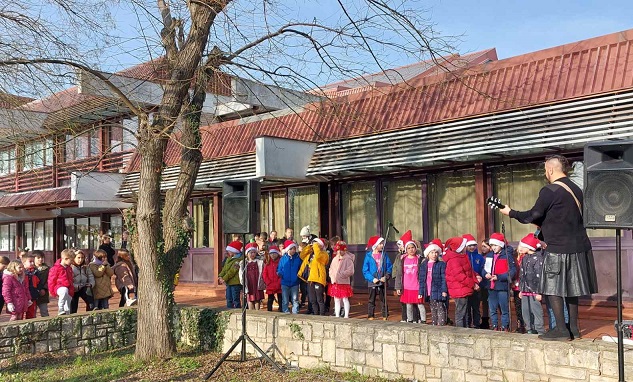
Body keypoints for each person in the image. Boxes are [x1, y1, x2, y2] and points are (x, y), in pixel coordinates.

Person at [500, 154, 598, 340]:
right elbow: (561, 216)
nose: (545, 172)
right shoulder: (577, 189)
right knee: (572, 289)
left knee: (553, 288)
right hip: (579, 246)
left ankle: (560, 330)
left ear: (550, 169)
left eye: (546, 169)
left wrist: (510, 212)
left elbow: (533, 215)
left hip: (558, 247)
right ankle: (573, 329)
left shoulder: (550, 191)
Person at [481, 232, 516, 332]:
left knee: (504, 309)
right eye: (492, 245)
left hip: (502, 286)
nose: (493, 247)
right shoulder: (489, 255)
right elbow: (484, 268)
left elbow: (512, 271)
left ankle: (505, 326)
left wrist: (499, 277)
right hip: (491, 286)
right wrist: (485, 274)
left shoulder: (507, 256)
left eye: (495, 245)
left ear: (500, 245)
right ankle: (494, 325)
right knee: (492, 309)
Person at [443, 236, 479, 328]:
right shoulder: (454, 260)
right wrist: (473, 284)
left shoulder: (462, 256)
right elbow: (460, 276)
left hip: (464, 288)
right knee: (461, 312)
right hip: (459, 289)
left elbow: (469, 271)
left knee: (465, 312)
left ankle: (465, 329)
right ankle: (460, 332)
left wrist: (476, 277)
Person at [517, 234, 546, 335]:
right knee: (525, 310)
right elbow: (521, 275)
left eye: (522, 246)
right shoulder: (524, 258)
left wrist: (539, 291)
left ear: (528, 247)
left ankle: (539, 329)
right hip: (525, 290)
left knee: (536, 310)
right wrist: (521, 289)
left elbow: (539, 276)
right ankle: (529, 327)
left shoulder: (538, 259)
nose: (519, 248)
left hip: (534, 291)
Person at [394, 240, 426, 323]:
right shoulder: (403, 259)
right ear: (406, 249)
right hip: (406, 287)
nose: (411, 250)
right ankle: (410, 320)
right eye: (408, 248)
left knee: (420, 305)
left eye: (412, 247)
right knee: (408, 305)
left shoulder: (420, 259)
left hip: (417, 287)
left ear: (416, 248)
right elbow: (399, 274)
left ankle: (423, 321)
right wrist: (398, 287)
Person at [362, 235, 392, 320]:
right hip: (373, 281)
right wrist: (372, 279)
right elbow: (365, 270)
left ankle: (385, 315)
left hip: (382, 280)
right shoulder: (368, 256)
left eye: (382, 244)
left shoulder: (384, 255)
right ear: (375, 245)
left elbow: (389, 267)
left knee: (383, 299)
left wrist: (386, 277)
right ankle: (371, 315)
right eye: (380, 244)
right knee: (371, 299)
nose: (382, 245)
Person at [298, 237, 329, 316]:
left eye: (316, 243)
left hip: (319, 279)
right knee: (312, 299)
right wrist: (309, 246)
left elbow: (318, 257)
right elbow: (302, 255)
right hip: (311, 279)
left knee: (319, 299)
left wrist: (316, 246)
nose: (314, 245)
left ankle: (322, 315)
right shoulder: (311, 254)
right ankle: (315, 314)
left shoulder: (324, 254)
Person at [418, 242, 447, 326]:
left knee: (440, 308)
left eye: (436, 252)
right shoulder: (424, 265)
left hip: (438, 290)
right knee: (433, 309)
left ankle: (441, 325)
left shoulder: (441, 264)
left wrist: (444, 290)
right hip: (429, 291)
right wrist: (420, 292)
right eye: (432, 252)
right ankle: (434, 325)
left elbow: (443, 278)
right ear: (428, 254)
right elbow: (422, 279)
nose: (434, 254)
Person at [328, 240, 354, 318]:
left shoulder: (348, 259)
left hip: (344, 282)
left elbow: (350, 270)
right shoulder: (335, 259)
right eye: (338, 250)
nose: (339, 252)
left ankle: (346, 315)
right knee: (336, 299)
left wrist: (341, 274)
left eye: (341, 250)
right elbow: (331, 269)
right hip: (335, 282)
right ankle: (337, 314)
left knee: (345, 299)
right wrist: (332, 276)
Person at [463, 234, 484, 328]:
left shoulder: (479, 257)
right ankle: (468, 323)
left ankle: (476, 323)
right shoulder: (464, 257)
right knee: (467, 306)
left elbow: (483, 269)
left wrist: (480, 279)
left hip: (478, 285)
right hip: (468, 285)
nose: (472, 247)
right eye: (470, 246)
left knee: (476, 307)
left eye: (474, 245)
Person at [277, 240, 302, 314]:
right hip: (285, 282)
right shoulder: (283, 259)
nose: (293, 250)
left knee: (295, 299)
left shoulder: (298, 258)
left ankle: (295, 313)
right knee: (285, 300)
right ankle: (286, 312)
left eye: (294, 249)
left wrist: (298, 276)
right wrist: (280, 274)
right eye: (291, 249)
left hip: (295, 282)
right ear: (288, 249)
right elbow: (279, 268)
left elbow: (301, 268)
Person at [48, 249, 75, 315]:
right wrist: (52, 291)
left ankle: (66, 315)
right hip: (59, 287)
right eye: (71, 260)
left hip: (69, 288)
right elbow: (51, 280)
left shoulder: (69, 268)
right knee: (64, 291)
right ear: (65, 259)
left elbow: (71, 279)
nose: (72, 262)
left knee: (68, 307)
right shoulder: (56, 268)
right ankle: (60, 308)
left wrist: (72, 289)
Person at [240, 243, 265, 310]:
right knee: (250, 299)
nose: (252, 254)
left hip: (257, 282)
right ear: (247, 254)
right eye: (250, 252)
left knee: (257, 299)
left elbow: (263, 272)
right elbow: (241, 274)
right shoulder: (244, 263)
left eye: (254, 252)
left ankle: (257, 312)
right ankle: (251, 312)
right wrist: (243, 282)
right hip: (249, 283)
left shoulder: (259, 262)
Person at [218, 241, 243, 309]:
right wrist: (220, 276)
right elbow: (224, 269)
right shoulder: (228, 259)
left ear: (234, 251)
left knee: (236, 300)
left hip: (235, 283)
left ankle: (238, 313)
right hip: (228, 283)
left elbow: (232, 271)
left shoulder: (239, 260)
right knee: (229, 299)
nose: (228, 252)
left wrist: (224, 279)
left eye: (230, 250)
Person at [21, 253, 41, 319]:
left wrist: (38, 290)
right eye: (30, 261)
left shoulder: (36, 272)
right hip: (22, 296)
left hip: (32, 295)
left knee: (31, 313)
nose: (32, 263)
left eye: (33, 261)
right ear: (24, 263)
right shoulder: (21, 272)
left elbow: (39, 283)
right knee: (20, 313)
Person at [263, 247, 282, 312]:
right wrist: (268, 282)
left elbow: (282, 272)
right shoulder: (268, 263)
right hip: (270, 284)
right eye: (271, 253)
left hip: (279, 284)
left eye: (274, 253)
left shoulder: (280, 262)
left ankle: (281, 310)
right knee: (270, 299)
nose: (273, 255)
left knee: (280, 298)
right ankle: (269, 312)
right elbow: (265, 274)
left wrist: (279, 282)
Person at [478, 239, 492, 329]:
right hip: (483, 283)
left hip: (490, 282)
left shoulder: (490, 256)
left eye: (485, 246)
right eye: (482, 246)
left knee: (493, 303)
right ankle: (485, 320)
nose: (482, 248)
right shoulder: (481, 257)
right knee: (484, 303)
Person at [33, 251, 50, 317]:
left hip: (43, 293)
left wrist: (44, 288)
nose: (41, 259)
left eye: (42, 257)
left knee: (44, 311)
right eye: (38, 258)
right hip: (33, 293)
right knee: (32, 312)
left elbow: (49, 280)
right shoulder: (30, 269)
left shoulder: (47, 269)